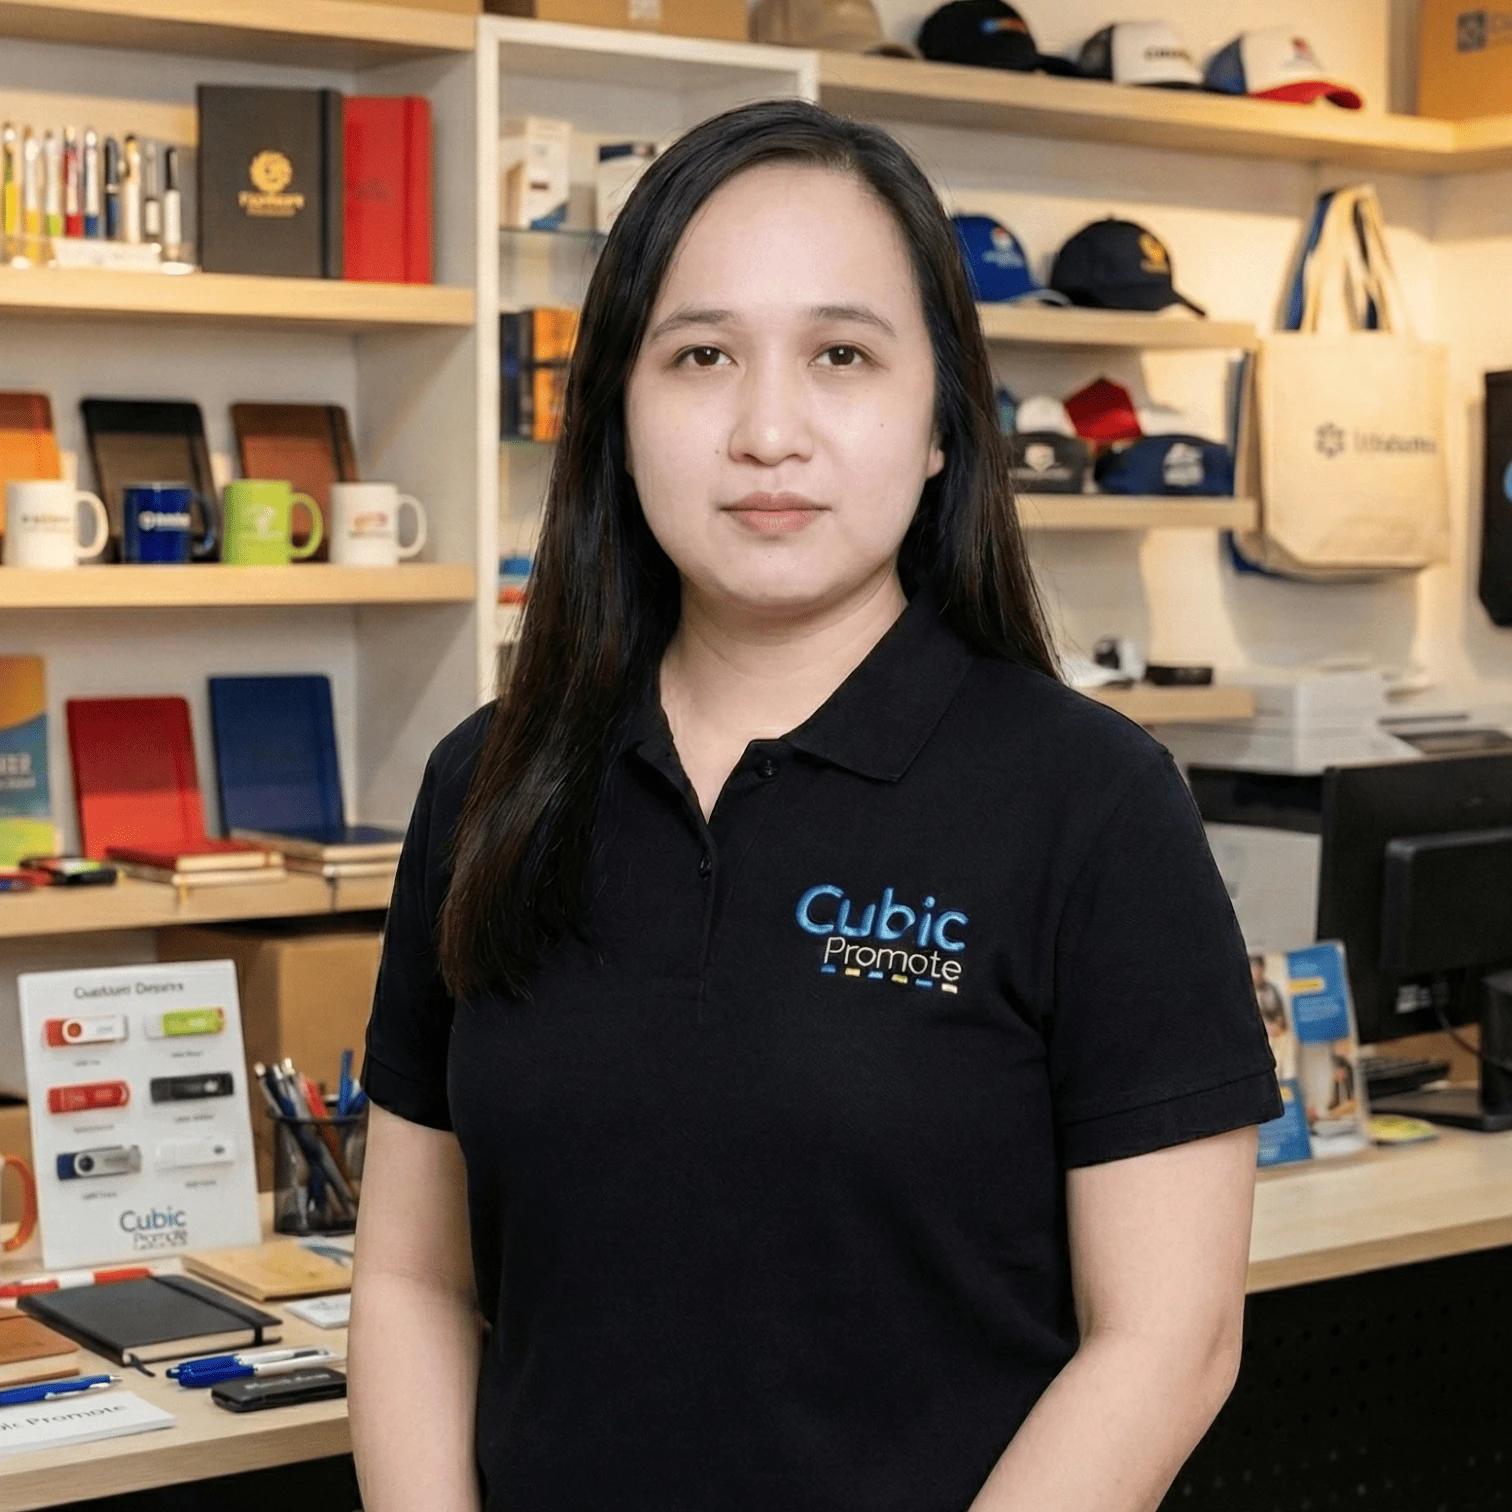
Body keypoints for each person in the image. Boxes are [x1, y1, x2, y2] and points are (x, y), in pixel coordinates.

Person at [349, 99, 1281, 1512]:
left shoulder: (1091, 802)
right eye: (701, 356)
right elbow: (415, 1279)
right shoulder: (488, 781)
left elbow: (1168, 1342)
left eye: (842, 355)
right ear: (615, 414)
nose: (768, 431)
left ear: (942, 424)